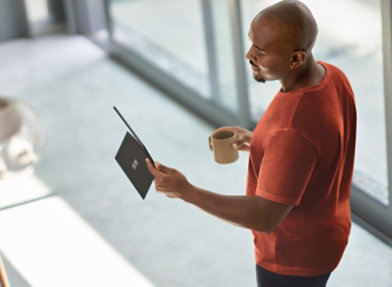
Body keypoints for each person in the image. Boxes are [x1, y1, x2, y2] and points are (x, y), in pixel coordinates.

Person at [146, 1, 357, 286]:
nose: (249, 55)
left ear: (295, 58)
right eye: (251, 43)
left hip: (292, 260)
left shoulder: (292, 130)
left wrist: (187, 192)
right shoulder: (331, 76)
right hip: (329, 229)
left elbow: (264, 216)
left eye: (261, 51)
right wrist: (258, 140)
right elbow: (318, 147)